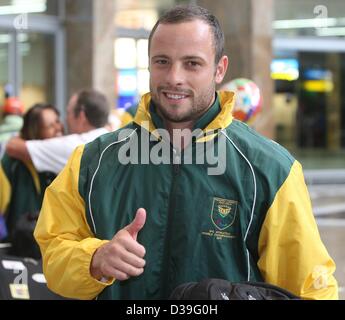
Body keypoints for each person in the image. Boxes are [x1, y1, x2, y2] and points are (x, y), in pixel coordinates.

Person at [34, 5, 338, 300]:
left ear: (220, 69)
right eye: (162, 61)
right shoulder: (91, 162)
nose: (174, 78)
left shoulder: (272, 171)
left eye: (192, 63)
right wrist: (94, 259)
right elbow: (53, 254)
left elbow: (309, 288)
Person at [6, 89, 110, 175]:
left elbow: (13, 146)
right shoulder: (111, 139)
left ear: (81, 117)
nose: (60, 125)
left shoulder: (77, 147)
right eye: (50, 125)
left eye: (68, 113)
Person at [0, 103, 63, 245]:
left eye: (58, 121)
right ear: (35, 130)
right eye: (50, 126)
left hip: (54, 246)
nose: (58, 128)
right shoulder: (13, 164)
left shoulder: (62, 159)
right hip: (21, 246)